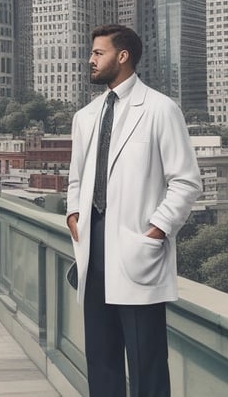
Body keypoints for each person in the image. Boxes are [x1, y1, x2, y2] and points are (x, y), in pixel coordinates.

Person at [66, 24, 202, 397]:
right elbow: (76, 180)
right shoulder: (86, 116)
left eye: (98, 53)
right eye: (91, 53)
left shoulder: (160, 109)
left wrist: (157, 230)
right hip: (93, 253)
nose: (90, 60)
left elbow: (187, 181)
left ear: (122, 56)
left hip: (136, 250)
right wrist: (73, 216)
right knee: (102, 362)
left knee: (147, 366)